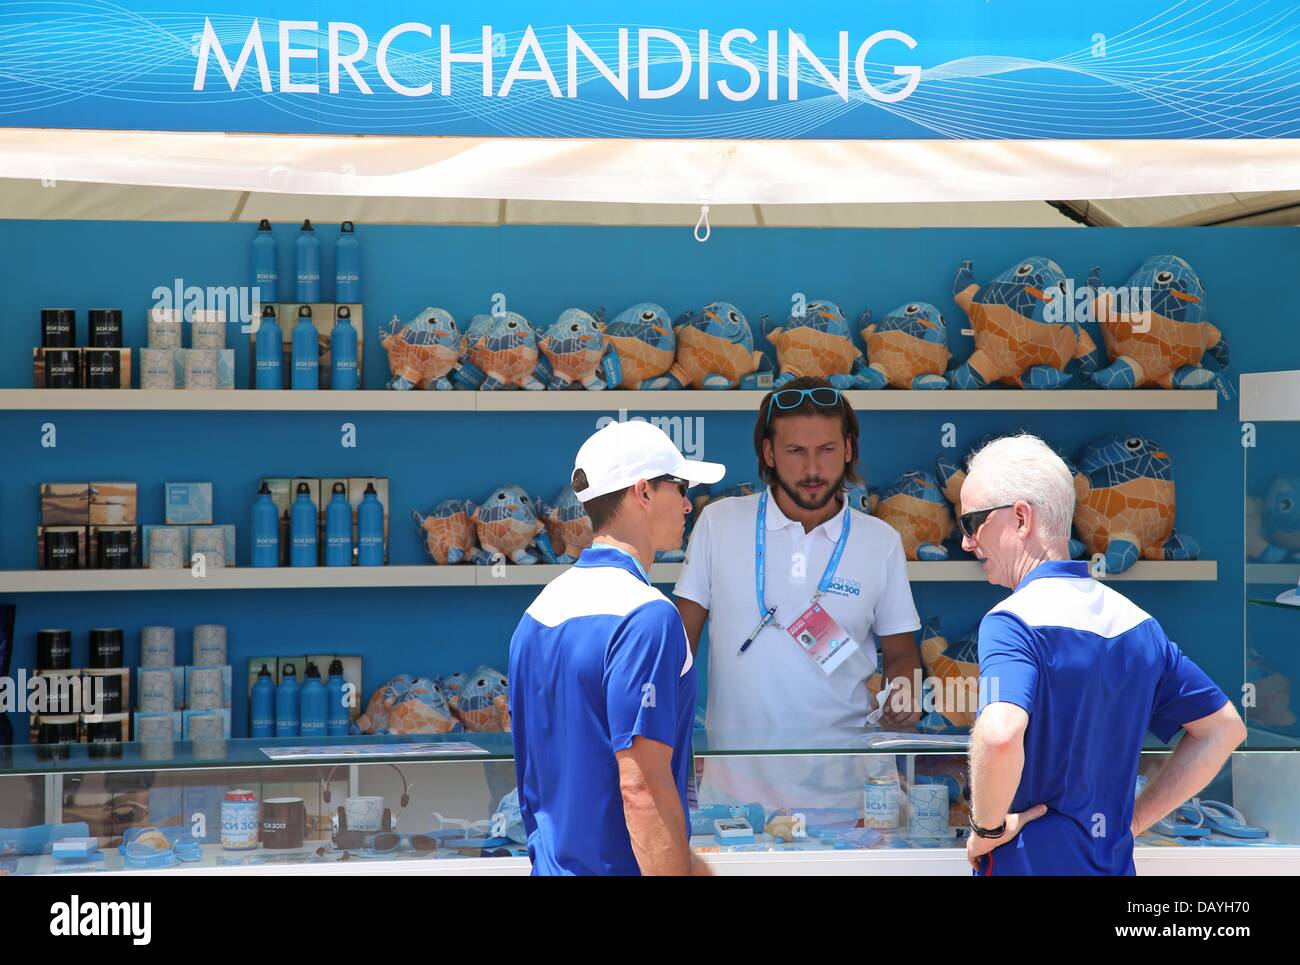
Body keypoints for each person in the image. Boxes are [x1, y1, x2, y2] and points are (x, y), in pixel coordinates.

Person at [960, 433, 1246, 875]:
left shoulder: (1010, 621)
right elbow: (1223, 730)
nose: (966, 542)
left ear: (1021, 518)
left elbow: (999, 735)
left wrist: (988, 828)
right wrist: (1133, 821)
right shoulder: (1137, 624)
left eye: (972, 523)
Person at [674, 377, 923, 811]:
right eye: (795, 451)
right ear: (769, 453)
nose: (813, 469)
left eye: (826, 450)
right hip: (736, 801)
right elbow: (678, 645)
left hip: (850, 798)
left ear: (848, 450)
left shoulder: (879, 541)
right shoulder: (718, 523)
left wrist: (904, 692)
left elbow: (901, 651)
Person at [508, 420, 723, 875]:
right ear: (643, 492)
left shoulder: (537, 613)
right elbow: (641, 789)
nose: (688, 503)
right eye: (679, 487)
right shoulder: (648, 615)